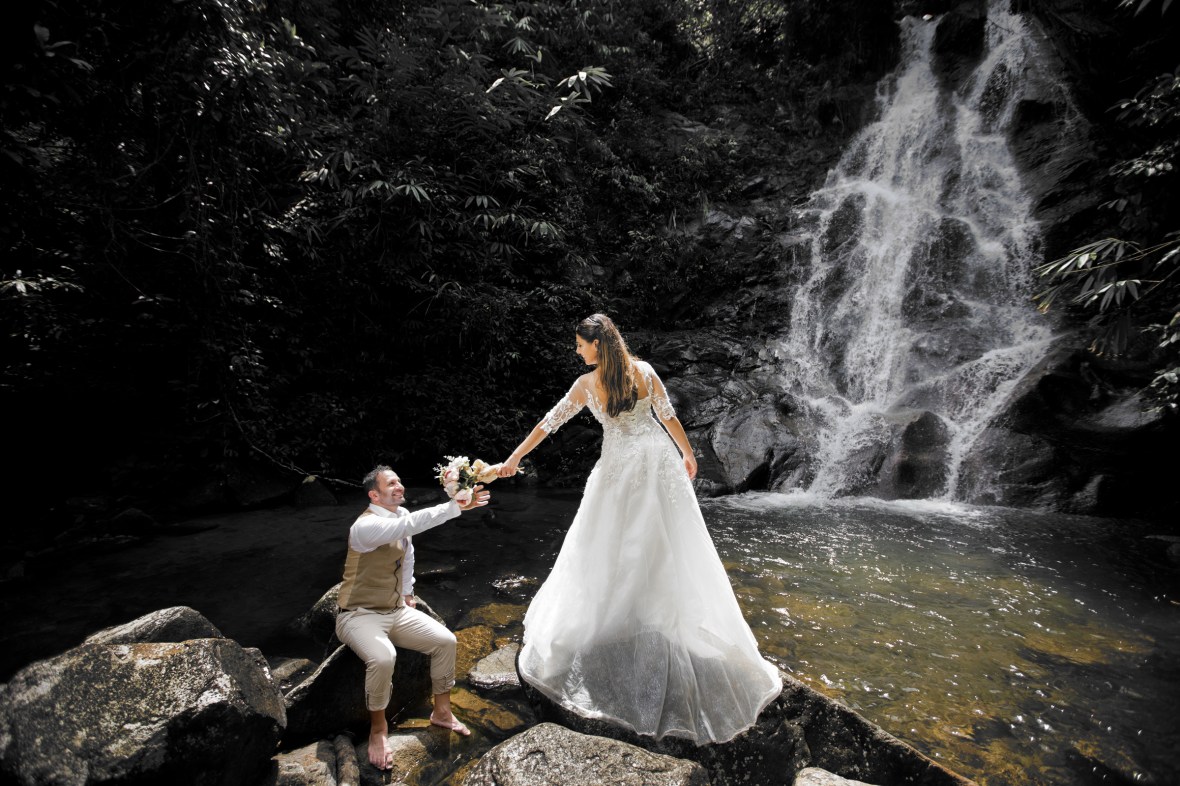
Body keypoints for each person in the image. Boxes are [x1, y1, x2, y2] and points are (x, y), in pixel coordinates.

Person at [497, 314, 782, 745]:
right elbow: (667, 417)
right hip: (656, 461)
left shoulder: (586, 385)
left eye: (580, 345)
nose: (577, 351)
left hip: (621, 466)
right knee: (666, 543)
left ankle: (623, 620)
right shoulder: (644, 372)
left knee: (611, 543)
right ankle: (654, 616)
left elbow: (548, 424)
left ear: (597, 347)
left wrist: (515, 458)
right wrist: (687, 454)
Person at [335, 465, 489, 770]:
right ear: (374, 495)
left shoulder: (400, 516)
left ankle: (441, 712)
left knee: (445, 640)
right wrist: (453, 506)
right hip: (358, 615)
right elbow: (410, 527)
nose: (399, 486)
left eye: (400, 481)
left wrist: (407, 593)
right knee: (383, 658)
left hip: (395, 610)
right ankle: (378, 729)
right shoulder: (363, 527)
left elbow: (408, 556)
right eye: (391, 484)